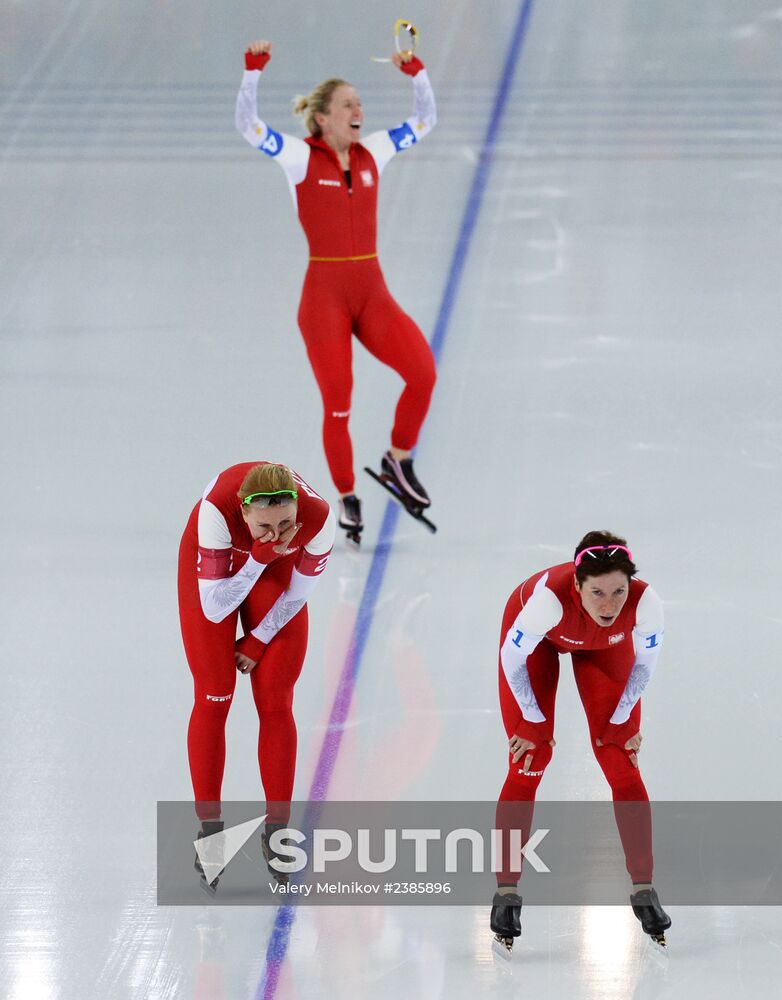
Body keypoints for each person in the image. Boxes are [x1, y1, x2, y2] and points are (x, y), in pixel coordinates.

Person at [235, 38, 438, 542]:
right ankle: (347, 496)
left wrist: (417, 72)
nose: (359, 111)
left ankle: (398, 458)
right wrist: (252, 72)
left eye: (360, 103)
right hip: (323, 299)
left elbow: (425, 119)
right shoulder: (299, 158)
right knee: (339, 404)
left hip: (372, 292)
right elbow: (248, 127)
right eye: (348, 104)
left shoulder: (374, 152)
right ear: (322, 118)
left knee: (423, 373)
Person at [491, 531, 672, 952]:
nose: (609, 605)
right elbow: (512, 656)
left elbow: (645, 665)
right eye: (597, 593)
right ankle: (505, 893)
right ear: (577, 586)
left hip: (601, 650)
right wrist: (532, 719)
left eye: (618, 592)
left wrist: (622, 717)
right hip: (535, 647)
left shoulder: (646, 604)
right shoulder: (547, 602)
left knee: (621, 760)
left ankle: (644, 888)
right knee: (527, 760)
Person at [177, 461, 335, 888]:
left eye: (286, 524)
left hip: (273, 570)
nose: (277, 533)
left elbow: (300, 593)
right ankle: (209, 831)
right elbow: (214, 608)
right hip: (221, 568)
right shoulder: (216, 513)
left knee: (276, 699)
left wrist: (260, 638)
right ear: (244, 514)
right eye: (264, 525)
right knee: (215, 693)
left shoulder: (319, 518)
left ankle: (277, 831)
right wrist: (254, 561)